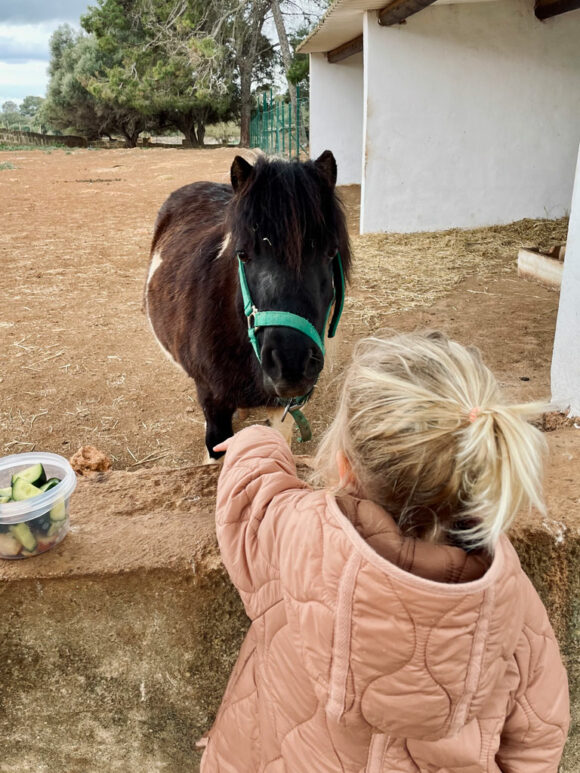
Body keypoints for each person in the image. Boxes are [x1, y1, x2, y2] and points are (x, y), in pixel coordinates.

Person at [200, 331, 569, 772]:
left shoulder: (299, 532)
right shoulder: (513, 604)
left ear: (345, 467)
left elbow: (253, 500)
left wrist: (258, 440)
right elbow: (538, 738)